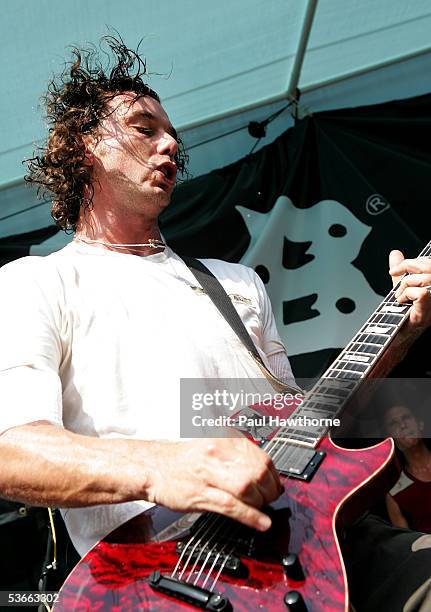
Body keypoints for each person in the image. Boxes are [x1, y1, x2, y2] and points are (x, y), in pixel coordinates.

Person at [1, 36, 431, 609]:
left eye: (172, 132)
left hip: (322, 539)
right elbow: (12, 453)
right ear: (85, 147)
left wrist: (400, 334)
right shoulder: (36, 281)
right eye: (144, 127)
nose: (171, 143)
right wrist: (164, 467)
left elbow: (306, 429)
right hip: (161, 575)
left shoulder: (236, 284)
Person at [383, 403, 431, 533]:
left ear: (420, 424)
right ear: (391, 439)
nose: (403, 425)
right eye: (394, 424)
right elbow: (407, 547)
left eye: (406, 418)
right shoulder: (395, 493)